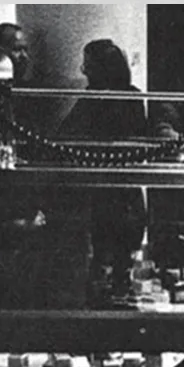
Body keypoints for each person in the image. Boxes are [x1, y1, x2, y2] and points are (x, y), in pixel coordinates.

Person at [57, 40, 148, 303]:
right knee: (122, 267)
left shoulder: (94, 99)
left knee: (101, 264)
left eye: (88, 64)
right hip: (126, 195)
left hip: (104, 196)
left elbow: (65, 136)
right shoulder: (132, 96)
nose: (83, 70)